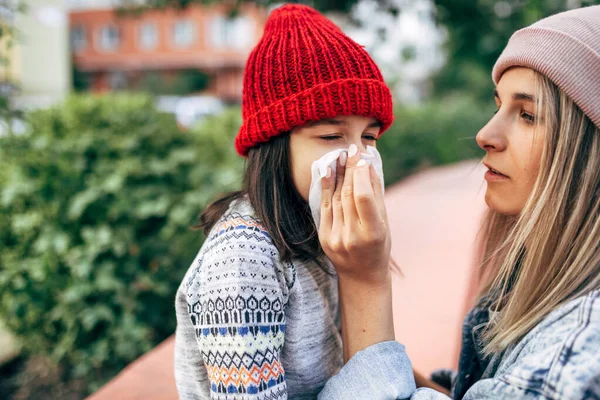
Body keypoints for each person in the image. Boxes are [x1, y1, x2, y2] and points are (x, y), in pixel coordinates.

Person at [317, 5, 600, 400]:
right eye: (498, 105)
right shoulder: (532, 287)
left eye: (529, 115)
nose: (486, 134)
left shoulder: (582, 347)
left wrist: (364, 282)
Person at [173, 4, 394, 399]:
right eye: (331, 136)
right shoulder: (242, 258)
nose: (357, 156)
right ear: (274, 144)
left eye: (370, 137)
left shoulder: (321, 228)